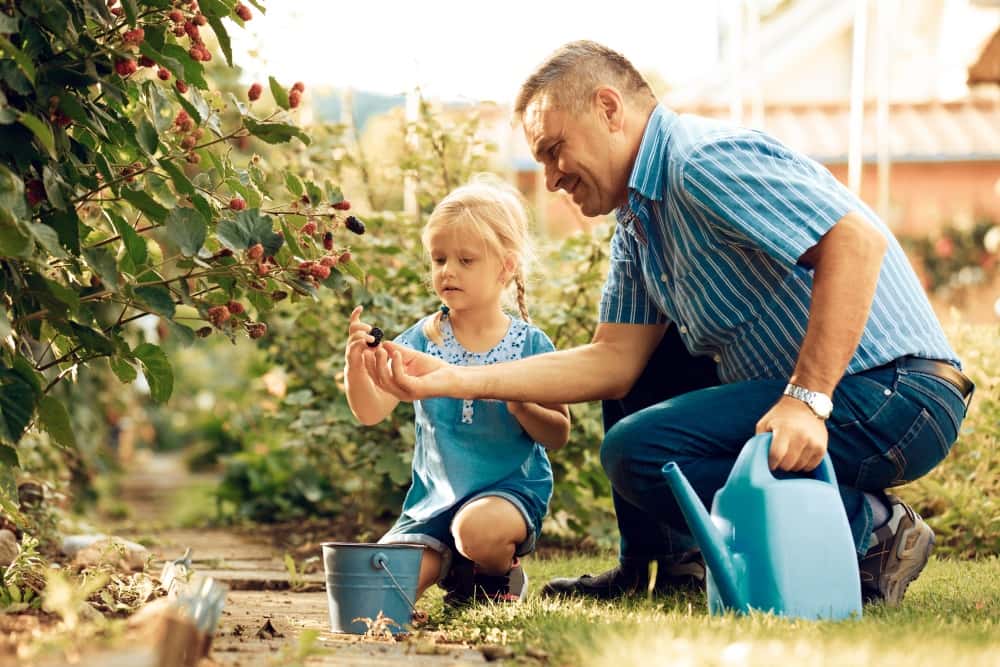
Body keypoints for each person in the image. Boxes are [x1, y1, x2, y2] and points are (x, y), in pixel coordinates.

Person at [367, 40, 975, 608]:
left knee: (640, 451)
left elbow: (856, 242)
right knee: (644, 371)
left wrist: (807, 399)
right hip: (854, 395)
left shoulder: (699, 161)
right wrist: (450, 378)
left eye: (555, 149)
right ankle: (655, 567)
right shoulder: (638, 224)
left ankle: (869, 527)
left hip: (893, 392)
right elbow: (612, 361)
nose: (550, 177)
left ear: (608, 108)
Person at [345, 177, 570, 605]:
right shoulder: (421, 340)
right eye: (439, 259)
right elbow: (371, 411)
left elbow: (558, 432)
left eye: (466, 260)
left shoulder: (530, 346)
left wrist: (519, 402)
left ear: (506, 267)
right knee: (376, 593)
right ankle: (456, 566)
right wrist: (355, 368)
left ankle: (494, 576)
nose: (448, 270)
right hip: (433, 507)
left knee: (476, 531)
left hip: (505, 498)